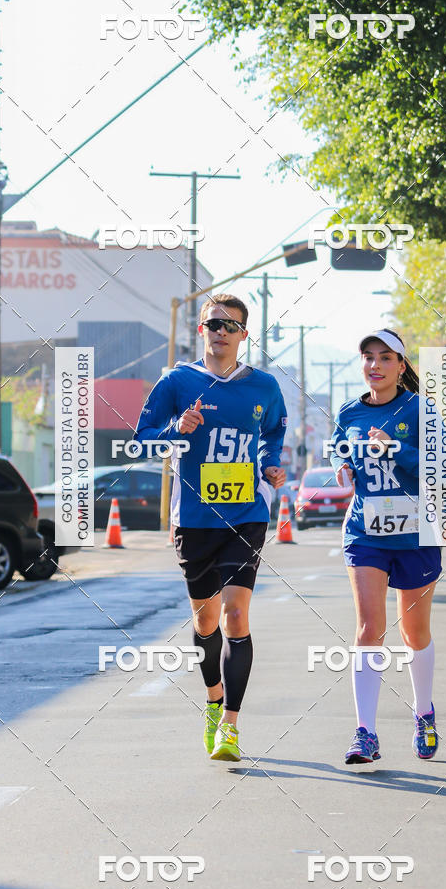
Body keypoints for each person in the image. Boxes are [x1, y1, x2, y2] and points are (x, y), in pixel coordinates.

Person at [135, 294, 287, 761]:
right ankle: (213, 698)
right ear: (200, 330)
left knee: (236, 616)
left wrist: (271, 466)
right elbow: (141, 442)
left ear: (244, 336)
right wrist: (176, 429)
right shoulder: (177, 382)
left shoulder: (263, 386)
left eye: (231, 325)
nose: (221, 331)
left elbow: (274, 434)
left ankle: (231, 726)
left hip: (245, 514)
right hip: (195, 520)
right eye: (213, 323)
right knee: (206, 620)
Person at [329, 328, 441, 764]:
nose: (374, 365)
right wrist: (341, 465)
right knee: (368, 630)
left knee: (414, 633)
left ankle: (424, 711)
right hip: (365, 533)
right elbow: (340, 448)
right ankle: (365, 733)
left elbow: (438, 468)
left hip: (416, 534)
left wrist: (394, 449)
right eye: (367, 357)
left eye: (384, 357)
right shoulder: (350, 411)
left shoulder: (421, 410)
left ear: (401, 365)